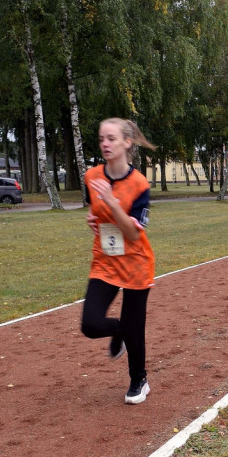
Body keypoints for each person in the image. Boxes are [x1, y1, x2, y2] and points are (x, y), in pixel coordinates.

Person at [80, 118, 156, 404]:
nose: (105, 144)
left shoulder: (139, 184)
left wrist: (112, 203)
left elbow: (133, 233)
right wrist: (92, 218)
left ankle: (139, 380)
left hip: (136, 262)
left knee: (135, 324)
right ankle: (121, 331)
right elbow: (95, 210)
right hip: (105, 260)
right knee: (90, 324)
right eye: (102, 139)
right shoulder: (91, 176)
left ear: (127, 142)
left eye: (111, 138)